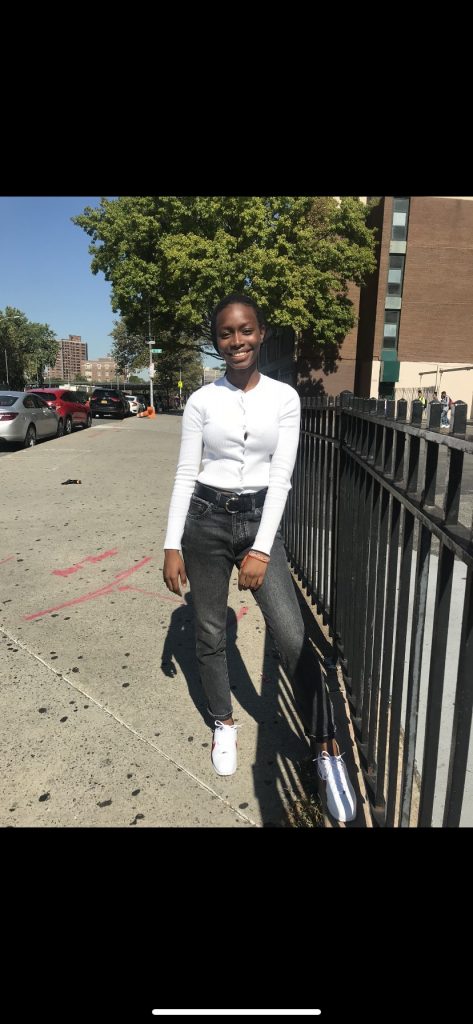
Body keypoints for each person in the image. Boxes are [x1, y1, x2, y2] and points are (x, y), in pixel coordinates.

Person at [162, 292, 356, 822]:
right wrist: (172, 542)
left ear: (261, 333)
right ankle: (223, 722)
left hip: (257, 521)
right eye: (226, 333)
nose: (237, 341)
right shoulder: (202, 401)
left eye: (245, 329)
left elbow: (281, 477)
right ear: (217, 341)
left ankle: (326, 746)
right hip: (205, 520)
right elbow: (186, 472)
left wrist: (262, 549)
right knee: (208, 631)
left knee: (291, 634)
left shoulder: (284, 398)